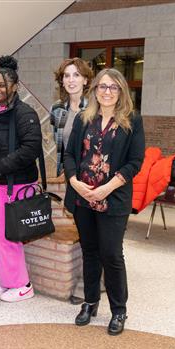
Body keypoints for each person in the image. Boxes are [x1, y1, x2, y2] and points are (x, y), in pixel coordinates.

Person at [63, 68, 145, 335]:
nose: (107, 92)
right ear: (95, 89)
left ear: (121, 91)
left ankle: (119, 310)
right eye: (102, 87)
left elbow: (135, 162)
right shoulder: (83, 119)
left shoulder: (132, 120)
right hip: (83, 198)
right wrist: (74, 181)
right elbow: (69, 155)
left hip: (113, 198)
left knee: (111, 254)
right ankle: (90, 302)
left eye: (113, 87)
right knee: (90, 252)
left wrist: (107, 188)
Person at [0, 55, 42, 302]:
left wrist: (0, 167)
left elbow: (31, 149)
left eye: (2, 85)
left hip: (14, 183)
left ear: (14, 86)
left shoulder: (24, 113)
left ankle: (22, 284)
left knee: (8, 235)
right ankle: (6, 280)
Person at [51, 58, 104, 306]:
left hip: (95, 179)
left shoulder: (97, 109)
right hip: (73, 177)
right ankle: (89, 283)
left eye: (76, 75)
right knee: (84, 231)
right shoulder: (57, 111)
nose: (71, 80)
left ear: (86, 79)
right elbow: (61, 146)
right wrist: (64, 171)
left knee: (100, 231)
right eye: (66, 76)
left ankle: (98, 282)